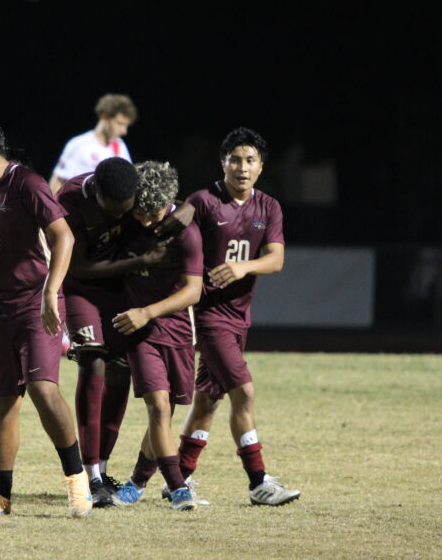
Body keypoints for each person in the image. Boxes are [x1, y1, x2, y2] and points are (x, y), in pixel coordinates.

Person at [0, 115, 92, 519]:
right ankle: (1, 495)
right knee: (2, 402)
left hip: (37, 304)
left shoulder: (27, 184)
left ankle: (76, 481)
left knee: (42, 389)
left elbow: (64, 235)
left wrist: (51, 291)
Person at [174, 127, 300, 506]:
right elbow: (168, 234)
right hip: (208, 316)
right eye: (235, 160)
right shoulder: (202, 201)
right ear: (223, 163)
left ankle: (176, 478)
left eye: (250, 161)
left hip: (239, 318)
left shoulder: (269, 207)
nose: (242, 167)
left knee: (207, 403)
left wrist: (243, 267)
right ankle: (258, 481)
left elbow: (276, 259)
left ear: (261, 167)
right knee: (243, 392)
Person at [57, 157, 174, 506]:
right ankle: (89, 474)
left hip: (121, 291)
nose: (120, 216)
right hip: (80, 287)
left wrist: (185, 212)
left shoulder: (130, 190)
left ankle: (103, 466)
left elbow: (175, 203)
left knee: (120, 371)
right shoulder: (71, 199)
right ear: (98, 193)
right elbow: (78, 266)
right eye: (115, 210)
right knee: (92, 361)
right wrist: (140, 262)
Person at [105, 161, 203, 512]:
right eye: (140, 212)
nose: (145, 220)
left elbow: (193, 291)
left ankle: (136, 482)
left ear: (168, 202)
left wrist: (148, 310)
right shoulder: (127, 224)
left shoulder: (185, 232)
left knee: (170, 411)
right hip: (138, 331)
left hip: (175, 328)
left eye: (152, 213)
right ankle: (179, 489)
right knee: (158, 407)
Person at [48, 94, 137, 194]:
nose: (124, 131)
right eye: (120, 123)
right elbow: (58, 180)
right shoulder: (79, 144)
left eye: (126, 126)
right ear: (105, 116)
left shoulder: (120, 147)